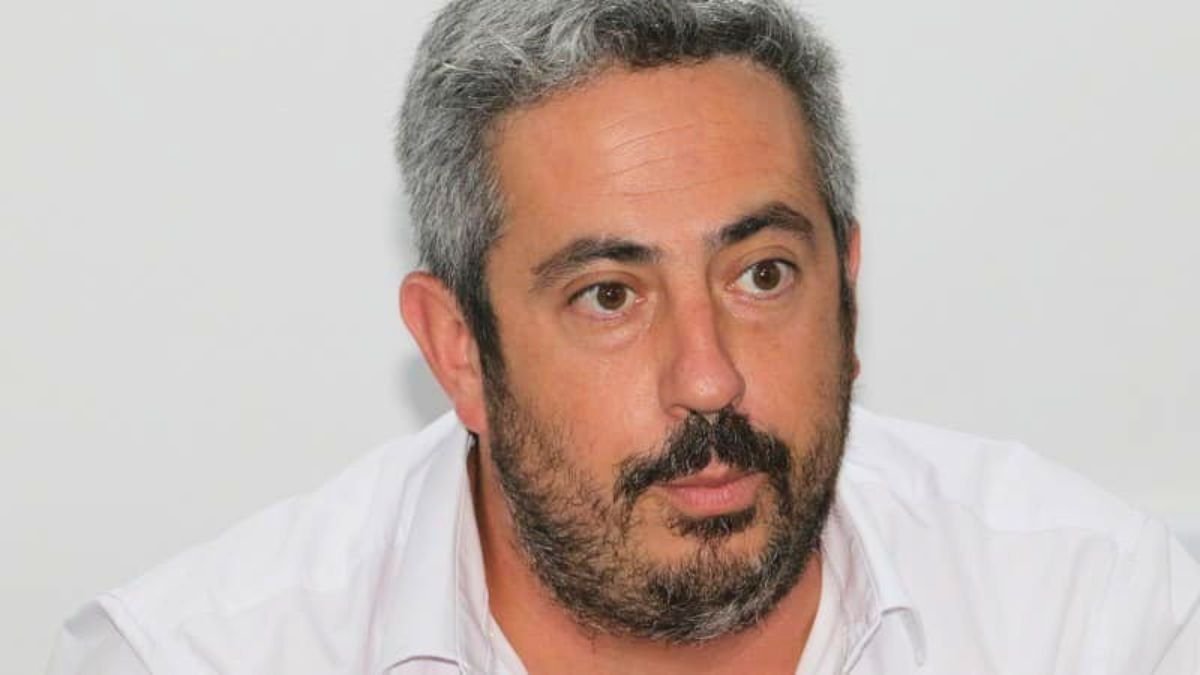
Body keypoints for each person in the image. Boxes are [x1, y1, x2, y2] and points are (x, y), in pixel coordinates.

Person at [48, 0, 1199, 673]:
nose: (709, 377)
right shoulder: (203, 659)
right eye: (609, 295)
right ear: (459, 350)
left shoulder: (1086, 616)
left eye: (762, 275)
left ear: (848, 294)